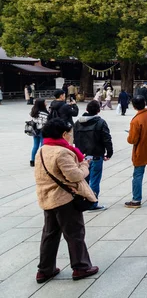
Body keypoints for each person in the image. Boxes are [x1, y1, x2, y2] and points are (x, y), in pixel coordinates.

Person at [34, 118, 99, 283]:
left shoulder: (42, 150)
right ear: (63, 134)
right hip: (64, 200)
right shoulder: (62, 152)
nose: (72, 137)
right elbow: (75, 175)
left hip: (47, 199)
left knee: (50, 234)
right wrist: (85, 165)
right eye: (70, 133)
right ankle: (80, 267)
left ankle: (44, 270)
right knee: (75, 233)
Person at [73, 100, 113, 211]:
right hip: (96, 155)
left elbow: (74, 139)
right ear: (98, 110)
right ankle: (92, 203)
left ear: (86, 109)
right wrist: (109, 152)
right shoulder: (100, 123)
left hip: (82, 156)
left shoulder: (77, 123)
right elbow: (107, 139)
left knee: (84, 180)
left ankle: (83, 200)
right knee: (94, 180)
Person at [30, 98, 49, 167]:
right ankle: (41, 160)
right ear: (42, 104)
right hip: (42, 131)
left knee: (35, 145)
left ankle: (32, 160)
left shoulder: (34, 112)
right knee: (42, 146)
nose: (46, 103)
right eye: (45, 102)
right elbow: (46, 122)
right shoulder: (44, 114)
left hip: (35, 131)